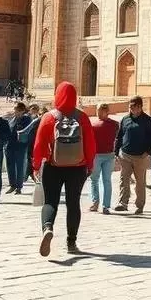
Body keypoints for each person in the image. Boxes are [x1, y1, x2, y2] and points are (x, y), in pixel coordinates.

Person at [31, 82, 96, 256]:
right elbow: (90, 145)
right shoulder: (82, 117)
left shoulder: (48, 117)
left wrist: (36, 166)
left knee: (50, 202)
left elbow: (38, 145)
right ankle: (71, 242)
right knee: (73, 204)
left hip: (53, 166)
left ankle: (47, 228)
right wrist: (89, 165)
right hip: (78, 167)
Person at [115, 95, 151, 214]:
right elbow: (119, 136)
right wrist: (116, 152)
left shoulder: (147, 120)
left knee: (140, 182)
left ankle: (139, 205)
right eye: (130, 107)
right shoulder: (125, 119)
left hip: (140, 156)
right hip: (125, 155)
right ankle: (123, 203)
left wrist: (147, 152)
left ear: (140, 107)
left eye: (133, 107)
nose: (131, 109)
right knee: (124, 179)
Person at [90, 103, 119, 213]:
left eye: (100, 111)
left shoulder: (114, 124)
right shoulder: (93, 124)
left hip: (107, 155)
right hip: (97, 155)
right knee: (95, 180)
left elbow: (118, 138)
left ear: (106, 111)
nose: (98, 113)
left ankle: (105, 205)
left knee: (105, 180)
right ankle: (96, 203)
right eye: (97, 110)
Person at [5, 103, 31, 195]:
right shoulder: (12, 119)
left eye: (16, 109)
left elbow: (25, 131)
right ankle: (12, 185)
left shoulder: (26, 119)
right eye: (15, 109)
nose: (15, 111)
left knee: (19, 166)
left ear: (22, 110)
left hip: (20, 146)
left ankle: (19, 187)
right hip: (9, 146)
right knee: (10, 166)